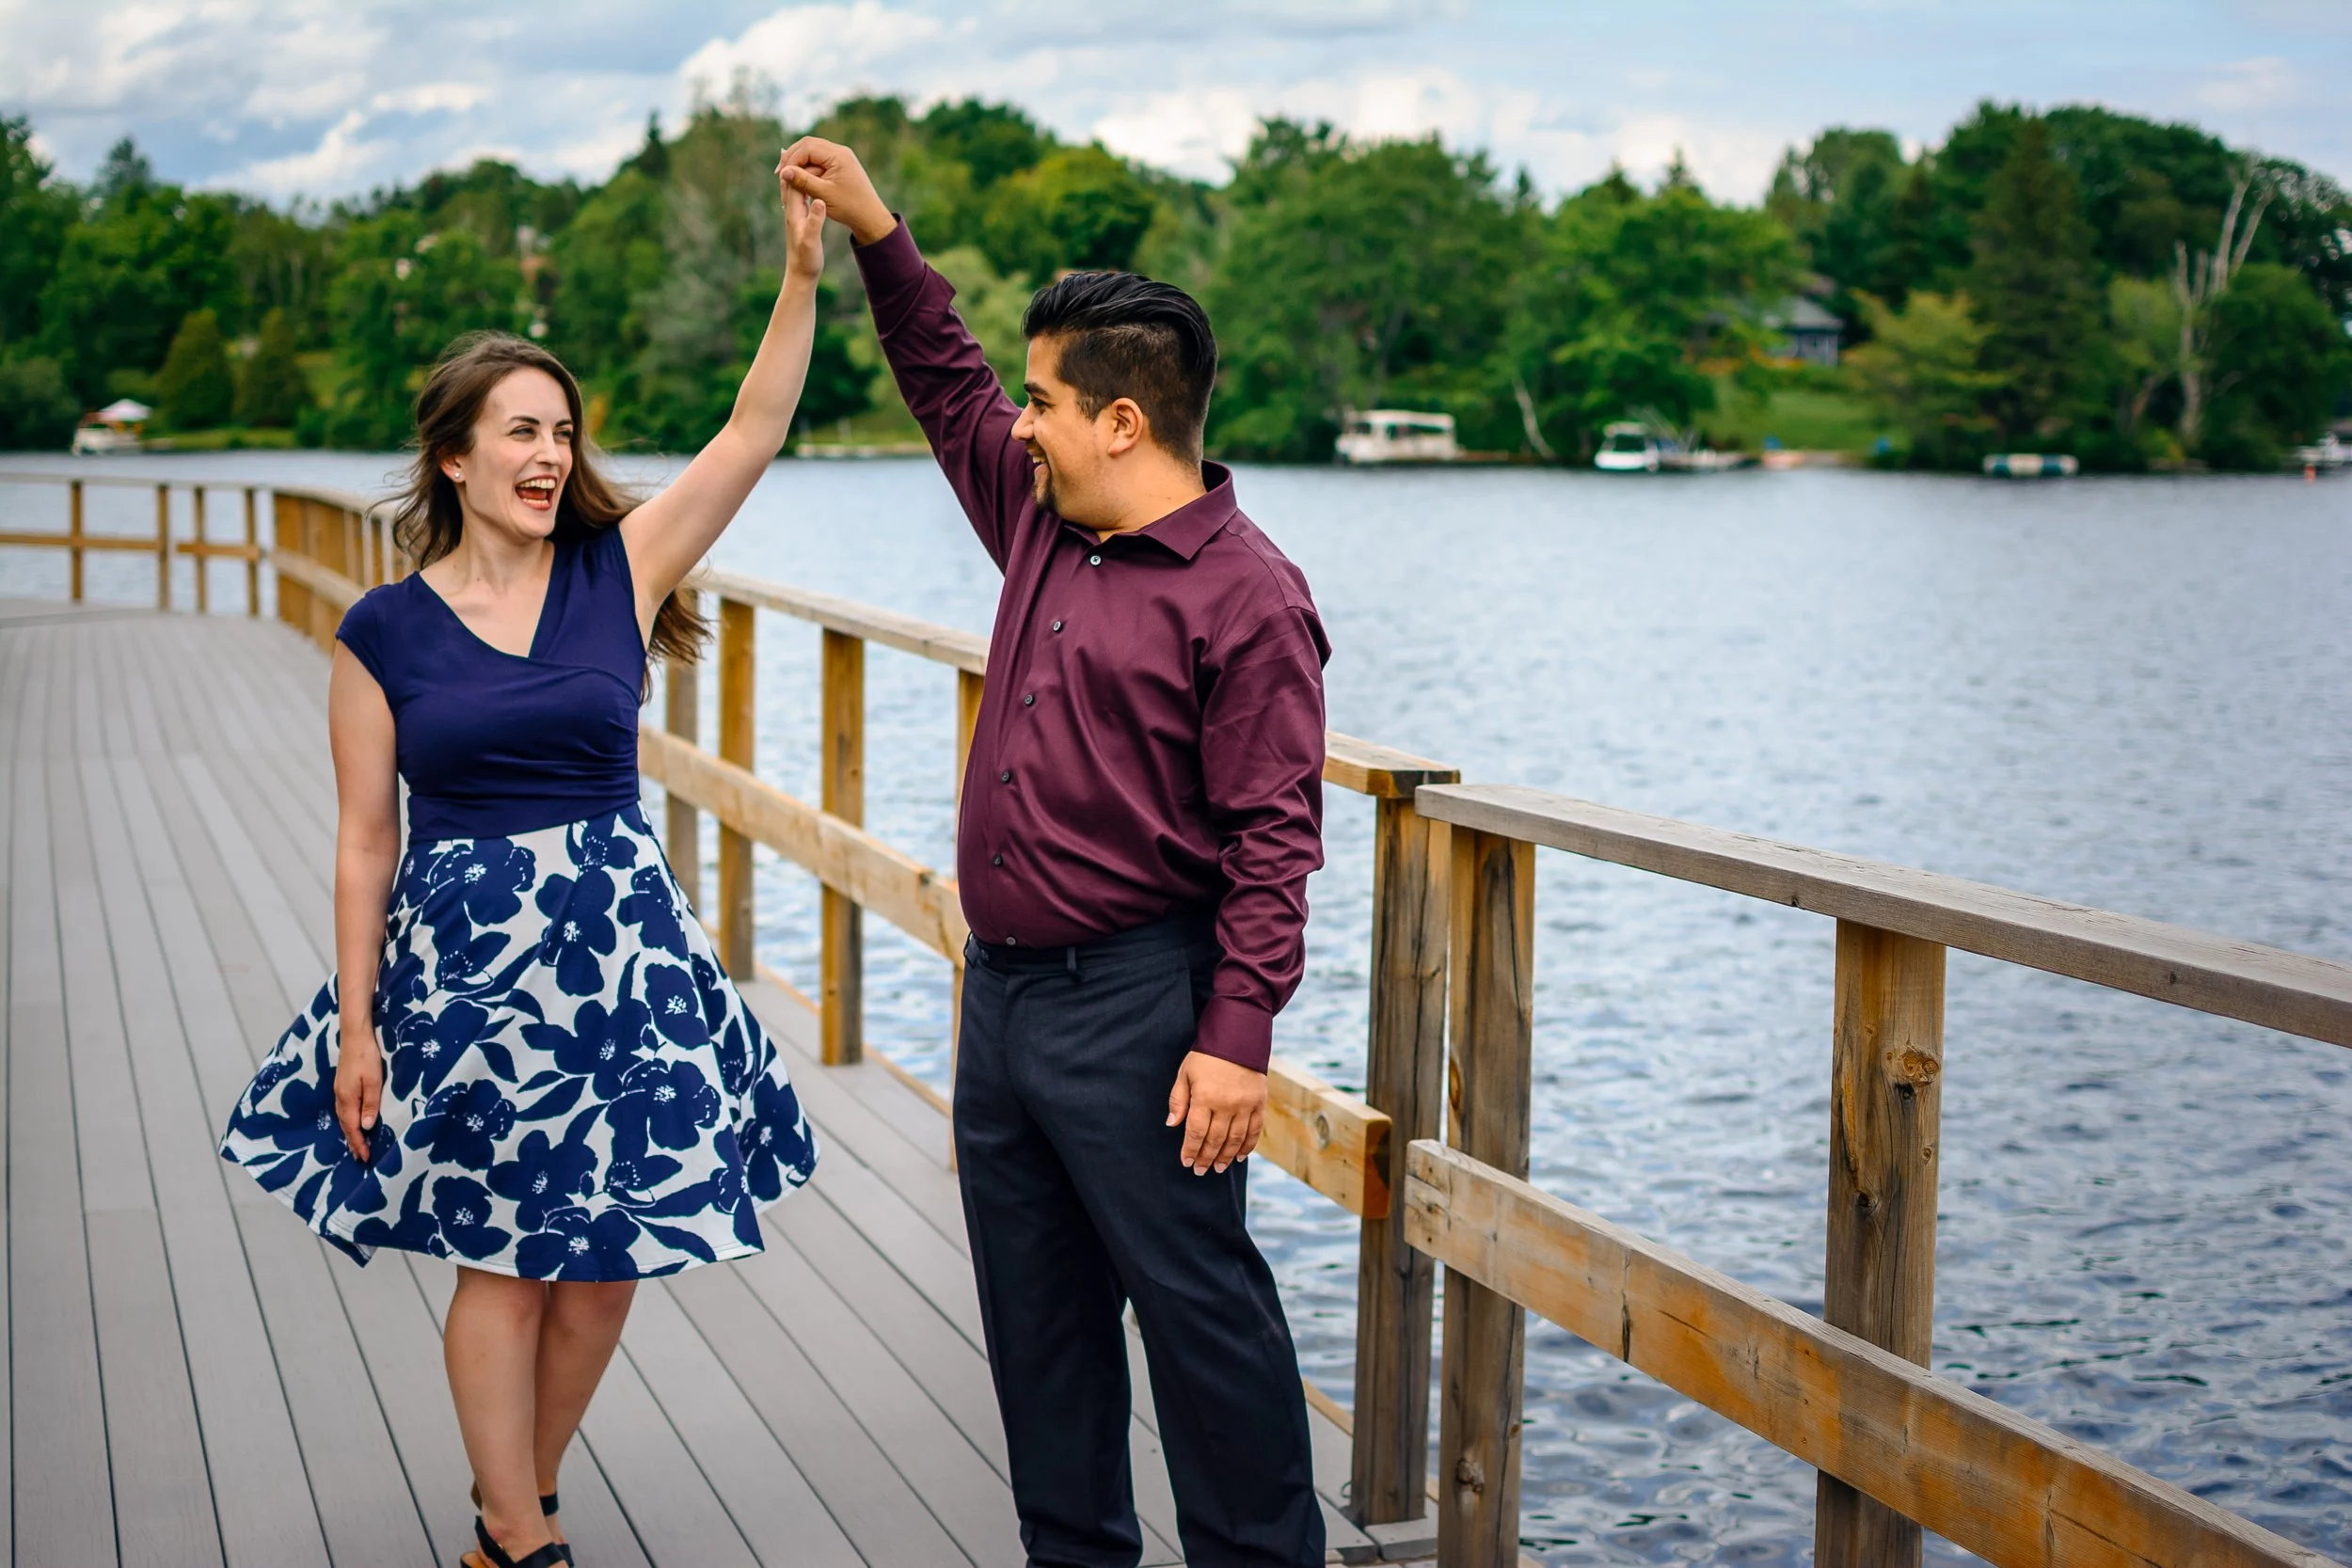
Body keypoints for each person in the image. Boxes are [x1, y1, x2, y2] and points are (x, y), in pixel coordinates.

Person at [218, 162, 831, 1568]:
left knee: (607, 1264)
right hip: (471, 973)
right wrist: (357, 1026)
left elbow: (751, 430)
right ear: (457, 457)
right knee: (502, 1257)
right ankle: (525, 1537)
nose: (550, 453)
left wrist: (801, 271)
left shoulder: (622, 570)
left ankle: (514, 1509)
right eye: (520, 431)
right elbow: (366, 837)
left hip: (621, 960)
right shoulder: (384, 632)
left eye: (562, 429)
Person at [781, 137, 1331, 1568]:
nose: (1018, 423)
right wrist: (876, 232)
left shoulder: (1249, 596)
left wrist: (1237, 1033)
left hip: (1146, 1012)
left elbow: (1278, 837)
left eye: (1046, 401)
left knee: (1205, 1327)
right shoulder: (1041, 518)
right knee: (1041, 1334)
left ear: (1127, 422)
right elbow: (946, 379)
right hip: (1006, 1003)